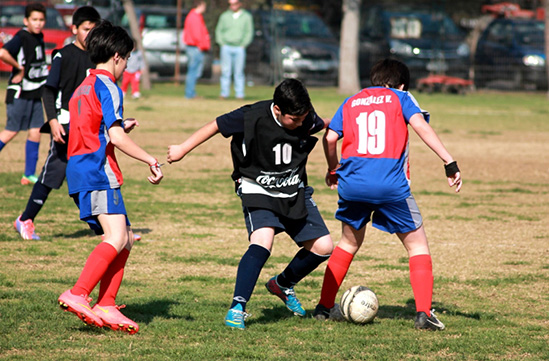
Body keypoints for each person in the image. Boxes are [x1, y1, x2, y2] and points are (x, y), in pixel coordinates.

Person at [167, 78, 333, 329]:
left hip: (293, 189)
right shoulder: (251, 116)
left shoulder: (304, 117)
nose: (302, 124)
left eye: (304, 119)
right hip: (257, 188)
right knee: (263, 242)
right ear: (277, 109)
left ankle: (283, 284)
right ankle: (237, 307)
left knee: (324, 246)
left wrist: (345, 125)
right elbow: (215, 125)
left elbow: (321, 125)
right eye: (295, 120)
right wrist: (182, 148)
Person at [314, 58, 462, 331]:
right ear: (402, 84)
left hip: (352, 184)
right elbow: (421, 126)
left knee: (347, 244)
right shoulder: (402, 98)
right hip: (389, 186)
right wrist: (448, 161)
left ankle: (323, 307)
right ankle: (424, 314)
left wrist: (333, 168)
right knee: (417, 246)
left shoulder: (351, 101)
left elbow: (331, 138)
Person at [57, 20, 163, 334]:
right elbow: (114, 138)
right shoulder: (109, 86)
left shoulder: (85, 85)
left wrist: (117, 125)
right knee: (115, 238)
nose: (127, 65)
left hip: (79, 170)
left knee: (126, 237)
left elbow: (95, 127)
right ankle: (78, 293)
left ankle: (107, 303)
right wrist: (149, 159)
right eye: (127, 58)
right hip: (97, 172)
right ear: (116, 56)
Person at [13, 6, 101, 241]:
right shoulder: (63, 55)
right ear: (74, 29)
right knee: (54, 173)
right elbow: (48, 90)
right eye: (85, 29)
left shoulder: (97, 58)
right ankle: (25, 219)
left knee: (87, 174)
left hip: (87, 127)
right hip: (64, 125)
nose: (90, 35)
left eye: (94, 30)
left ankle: (105, 226)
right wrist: (52, 120)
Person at [0, 3, 48, 185]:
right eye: (34, 20)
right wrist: (18, 68)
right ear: (25, 20)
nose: (38, 23)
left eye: (41, 20)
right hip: (20, 93)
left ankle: (28, 174)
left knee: (36, 131)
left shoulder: (39, 37)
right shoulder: (21, 37)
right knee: (11, 131)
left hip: (35, 92)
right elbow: (3, 52)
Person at [215, 0, 253, 99]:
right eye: (230, 4)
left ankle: (239, 94)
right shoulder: (224, 16)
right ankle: (224, 93)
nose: (233, 6)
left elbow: (249, 32)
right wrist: (222, 43)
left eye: (235, 4)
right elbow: (219, 30)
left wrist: (243, 44)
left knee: (239, 72)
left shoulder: (246, 17)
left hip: (239, 47)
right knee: (225, 71)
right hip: (226, 46)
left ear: (239, 4)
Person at [183, 0, 210, 99]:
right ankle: (190, 94)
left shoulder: (196, 16)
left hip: (196, 47)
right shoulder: (194, 17)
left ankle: (191, 92)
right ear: (200, 5)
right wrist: (201, 45)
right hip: (195, 48)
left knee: (195, 71)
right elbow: (197, 34)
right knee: (193, 71)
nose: (205, 8)